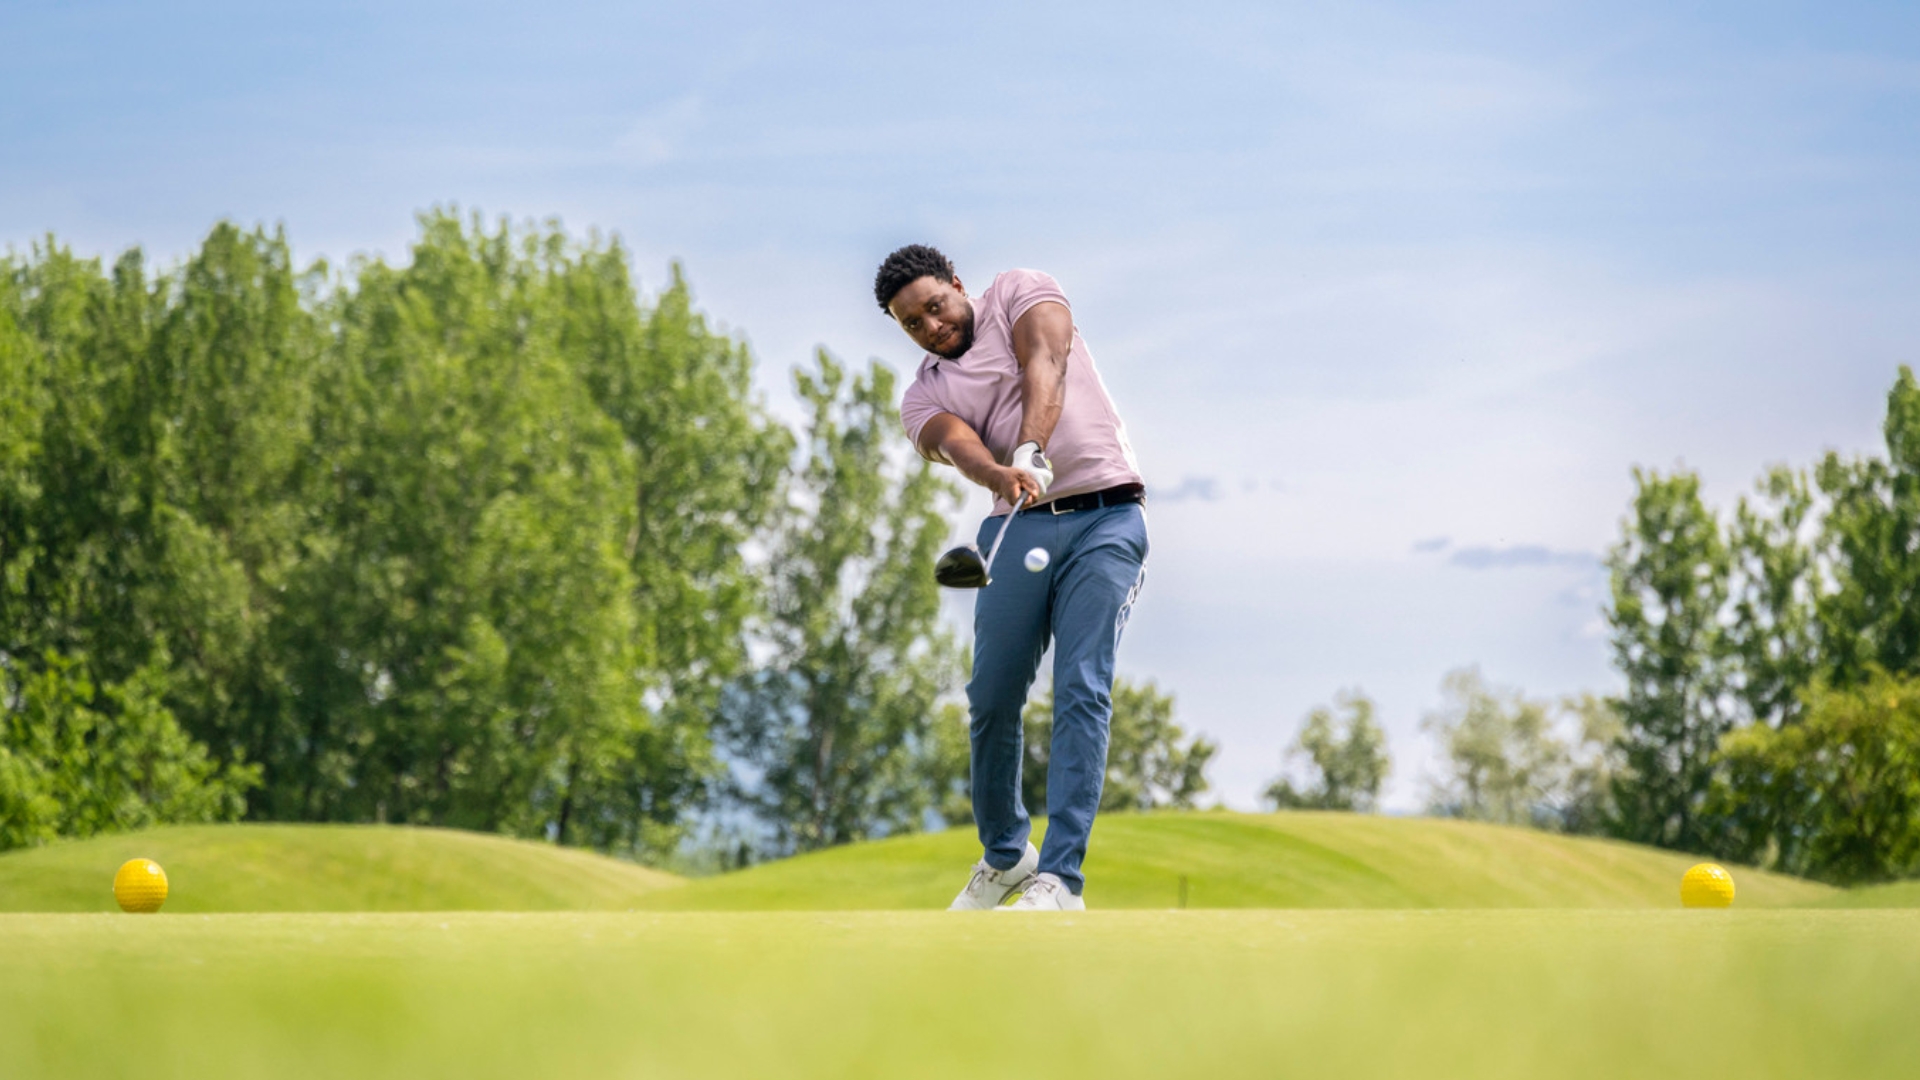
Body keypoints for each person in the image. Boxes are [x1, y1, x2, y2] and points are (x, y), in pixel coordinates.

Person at [875, 244, 1149, 911]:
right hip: (1015, 526)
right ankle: (1006, 855)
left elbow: (1045, 362)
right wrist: (1001, 474)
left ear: (957, 286)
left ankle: (1061, 880)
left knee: (1081, 686)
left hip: (1106, 517)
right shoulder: (924, 393)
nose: (932, 327)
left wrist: (1029, 443)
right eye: (913, 323)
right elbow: (954, 442)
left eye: (935, 306)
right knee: (992, 696)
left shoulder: (1019, 290)